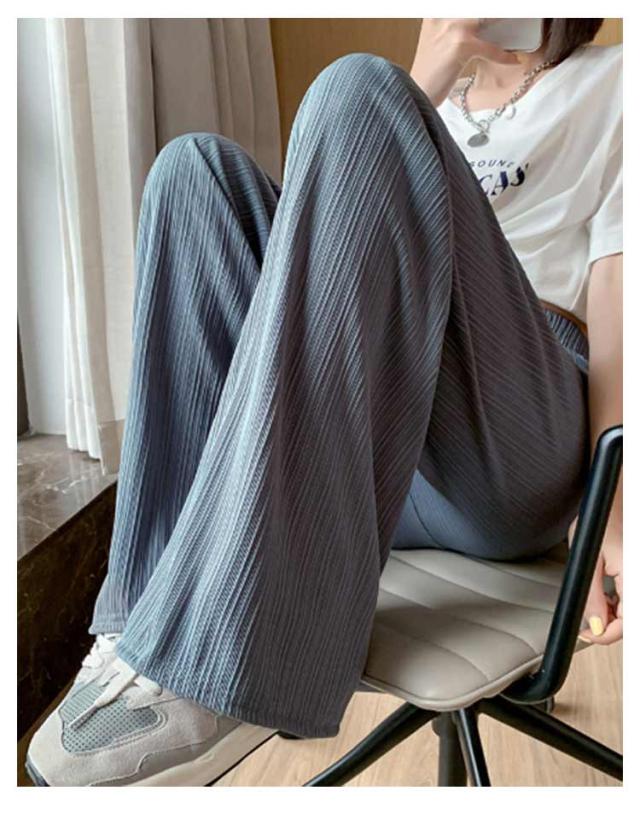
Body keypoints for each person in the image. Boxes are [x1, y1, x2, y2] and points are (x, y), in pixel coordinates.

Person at [26, 18, 622, 786]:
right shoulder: (431, 98)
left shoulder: (615, 82)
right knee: (194, 171)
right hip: (381, 426)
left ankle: (229, 656)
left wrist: (614, 507)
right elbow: (327, 259)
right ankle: (145, 631)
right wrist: (431, 73)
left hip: (517, 431)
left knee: (358, 88)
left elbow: (620, 301)